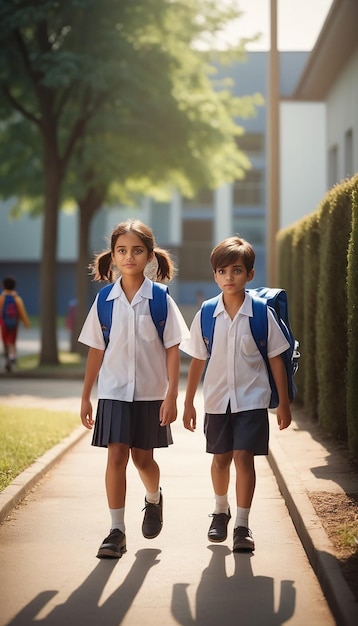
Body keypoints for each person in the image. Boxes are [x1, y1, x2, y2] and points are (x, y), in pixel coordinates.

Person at [78, 219, 189, 559]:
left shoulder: (160, 299)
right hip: (112, 391)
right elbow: (96, 350)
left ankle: (153, 499)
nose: (129, 257)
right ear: (112, 256)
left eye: (137, 251)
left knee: (143, 460)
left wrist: (172, 395)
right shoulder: (104, 301)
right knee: (116, 456)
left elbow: (173, 348)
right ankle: (116, 531)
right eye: (122, 251)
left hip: (150, 394)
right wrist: (86, 395)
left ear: (150, 256)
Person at [181, 236, 292, 552]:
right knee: (220, 460)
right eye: (222, 271)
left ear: (250, 274)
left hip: (252, 400)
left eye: (237, 271)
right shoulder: (205, 314)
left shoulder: (261, 313)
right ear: (214, 275)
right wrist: (188, 402)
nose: (229, 278)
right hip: (217, 401)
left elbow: (276, 360)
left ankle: (242, 525)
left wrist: (283, 403)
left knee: (244, 458)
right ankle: (220, 510)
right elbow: (198, 361)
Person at [0, 276, 30, 372]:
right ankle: (13, 357)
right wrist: (26, 324)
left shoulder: (1, 298)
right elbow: (22, 312)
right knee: (12, 342)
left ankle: (6, 358)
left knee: (5, 341)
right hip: (14, 324)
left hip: (4, 323)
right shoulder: (17, 299)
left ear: (3, 286)